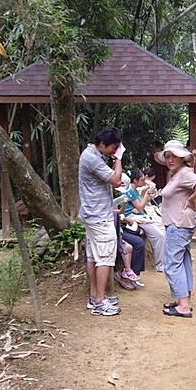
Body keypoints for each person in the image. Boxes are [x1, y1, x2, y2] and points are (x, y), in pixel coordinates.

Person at [154, 140, 196, 317]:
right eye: (168, 156)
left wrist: (191, 199)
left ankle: (184, 306)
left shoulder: (185, 173)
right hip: (178, 223)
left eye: (174, 156)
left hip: (178, 224)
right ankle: (183, 300)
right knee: (183, 261)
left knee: (172, 263)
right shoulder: (177, 174)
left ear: (181, 158)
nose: (170, 160)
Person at [78, 126, 125, 316]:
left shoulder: (92, 155)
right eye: (113, 147)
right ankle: (99, 302)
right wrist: (119, 159)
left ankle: (94, 295)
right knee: (105, 257)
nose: (114, 151)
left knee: (93, 256)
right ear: (102, 144)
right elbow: (115, 180)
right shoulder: (92, 158)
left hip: (92, 214)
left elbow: (111, 180)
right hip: (99, 217)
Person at [123, 168, 166, 273]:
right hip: (135, 218)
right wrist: (147, 195)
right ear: (135, 180)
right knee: (160, 236)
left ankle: (162, 262)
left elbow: (139, 207)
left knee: (161, 231)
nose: (143, 181)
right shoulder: (131, 191)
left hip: (140, 216)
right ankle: (160, 265)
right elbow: (140, 208)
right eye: (141, 179)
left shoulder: (133, 190)